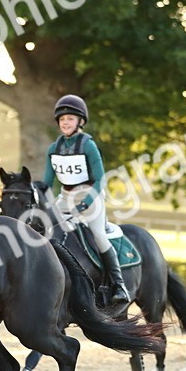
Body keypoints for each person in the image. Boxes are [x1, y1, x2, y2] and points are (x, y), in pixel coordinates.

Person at [42, 94, 131, 313]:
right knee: (47, 233)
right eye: (62, 119)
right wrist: (49, 203)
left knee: (99, 235)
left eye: (70, 119)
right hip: (65, 197)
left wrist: (87, 202)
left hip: (90, 195)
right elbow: (48, 182)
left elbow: (100, 178)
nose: (65, 122)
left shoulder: (88, 145)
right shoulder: (53, 148)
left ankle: (119, 286)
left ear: (80, 121)